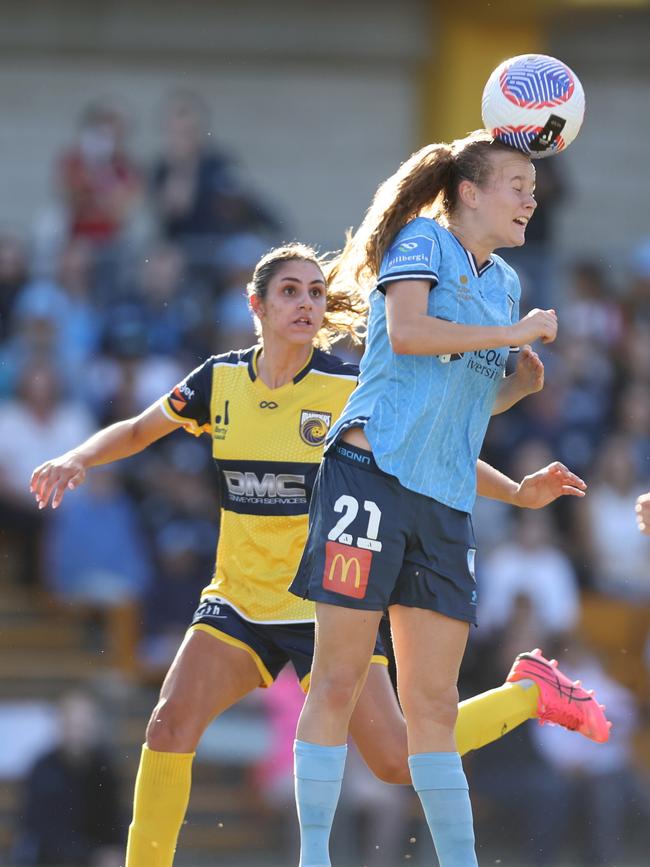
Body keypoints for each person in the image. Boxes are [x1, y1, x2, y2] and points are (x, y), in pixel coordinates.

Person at [30, 243, 609, 867]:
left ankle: (530, 691)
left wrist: (518, 492)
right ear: (257, 304)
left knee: (397, 761)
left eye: (314, 292)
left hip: (330, 603)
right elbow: (141, 429)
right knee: (168, 726)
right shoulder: (218, 381)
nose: (305, 303)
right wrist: (77, 457)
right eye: (289, 291)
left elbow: (425, 449)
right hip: (238, 602)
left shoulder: (346, 386)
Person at [287, 131, 592, 867]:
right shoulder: (424, 239)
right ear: (468, 192)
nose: (531, 197)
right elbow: (409, 330)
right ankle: (313, 856)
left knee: (431, 704)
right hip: (369, 478)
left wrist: (517, 386)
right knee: (338, 676)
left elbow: (457, 409)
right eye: (516, 183)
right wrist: (509, 333)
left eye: (533, 185)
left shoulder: (506, 284)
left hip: (443, 502)